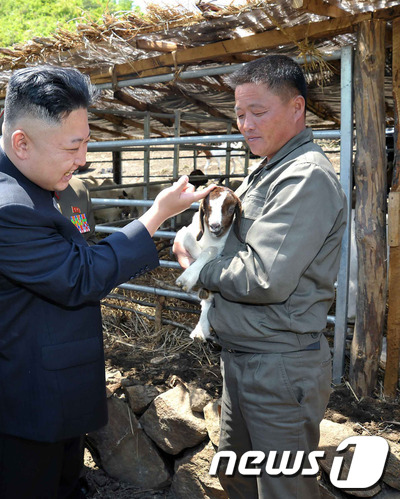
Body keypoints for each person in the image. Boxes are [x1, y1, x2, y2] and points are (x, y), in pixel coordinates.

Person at [0, 65, 212, 499]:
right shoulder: (1, 207)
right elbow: (80, 275)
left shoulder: (11, 173)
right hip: (16, 409)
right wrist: (157, 215)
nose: (84, 158)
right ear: (21, 142)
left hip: (40, 390)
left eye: (86, 142)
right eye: (73, 146)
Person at [174, 55, 347, 497]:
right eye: (239, 114)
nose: (246, 124)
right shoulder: (267, 167)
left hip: (278, 365)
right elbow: (233, 242)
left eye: (258, 112)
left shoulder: (304, 177)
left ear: (297, 109)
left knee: (283, 488)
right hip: (245, 356)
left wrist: (198, 270)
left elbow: (264, 276)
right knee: (238, 474)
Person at [0, 108, 98, 244]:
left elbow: (90, 239)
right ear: (21, 145)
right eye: (71, 147)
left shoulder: (78, 191)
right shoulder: (5, 204)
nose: (82, 162)